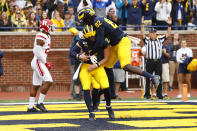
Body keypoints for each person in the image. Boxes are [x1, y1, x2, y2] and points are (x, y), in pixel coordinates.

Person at [77, 7, 160, 93]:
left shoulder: (97, 21)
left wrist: (90, 53)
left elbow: (100, 42)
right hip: (114, 44)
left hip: (122, 42)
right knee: (106, 66)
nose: (84, 22)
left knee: (126, 66)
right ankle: (112, 92)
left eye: (84, 19)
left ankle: (152, 77)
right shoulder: (97, 21)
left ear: (88, 17)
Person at [71, 25, 115, 120]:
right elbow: (72, 51)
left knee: (106, 87)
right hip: (86, 67)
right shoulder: (83, 40)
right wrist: (79, 56)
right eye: (89, 37)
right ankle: (91, 112)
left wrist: (97, 65)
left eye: (93, 36)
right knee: (86, 88)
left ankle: (108, 107)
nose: (92, 38)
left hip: (98, 66)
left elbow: (106, 58)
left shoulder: (102, 40)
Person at [27, 19, 55, 112]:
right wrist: (45, 62)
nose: (52, 28)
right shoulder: (42, 35)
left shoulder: (46, 35)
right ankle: (40, 103)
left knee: (36, 85)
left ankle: (30, 107)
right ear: (46, 26)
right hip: (38, 61)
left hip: (38, 61)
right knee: (49, 80)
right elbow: (37, 51)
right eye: (50, 26)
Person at [141, 16, 172, 99]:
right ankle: (147, 95)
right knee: (148, 78)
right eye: (152, 33)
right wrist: (142, 24)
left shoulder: (160, 39)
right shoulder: (147, 40)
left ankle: (159, 95)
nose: (154, 34)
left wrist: (169, 25)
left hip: (158, 61)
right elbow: (142, 34)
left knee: (159, 78)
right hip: (150, 61)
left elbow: (168, 34)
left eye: (154, 32)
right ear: (149, 34)